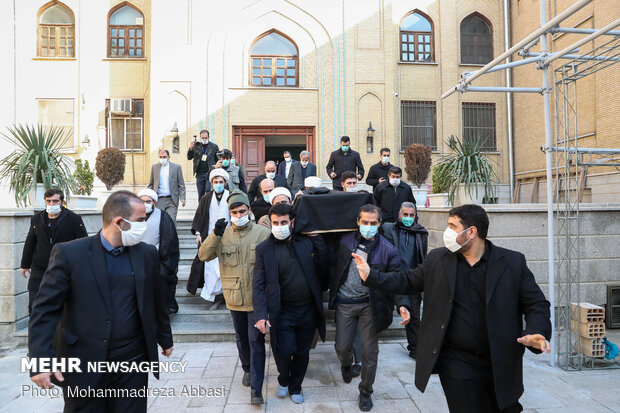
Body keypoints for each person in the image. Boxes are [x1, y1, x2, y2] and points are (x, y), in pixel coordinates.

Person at [353, 204, 552, 413]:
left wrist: (536, 331)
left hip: (500, 358)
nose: (447, 232)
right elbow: (407, 280)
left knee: (505, 407)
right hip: (456, 360)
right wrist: (372, 275)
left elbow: (536, 303)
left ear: (471, 232)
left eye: (452, 226)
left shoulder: (512, 262)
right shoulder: (438, 259)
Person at [28, 190, 174, 413]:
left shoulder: (146, 254)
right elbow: (45, 310)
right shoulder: (70, 254)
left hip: (132, 362)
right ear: (119, 222)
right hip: (84, 362)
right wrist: (40, 359)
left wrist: (164, 337)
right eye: (140, 220)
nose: (145, 225)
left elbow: (155, 298)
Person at [329, 204, 410, 412]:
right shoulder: (345, 242)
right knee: (342, 347)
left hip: (370, 306)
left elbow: (396, 280)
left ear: (379, 224)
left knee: (369, 352)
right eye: (364, 222)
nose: (368, 226)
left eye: (373, 223)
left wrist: (402, 305)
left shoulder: (388, 249)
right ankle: (346, 364)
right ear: (357, 222)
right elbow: (333, 267)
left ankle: (366, 391)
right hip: (345, 302)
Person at [198, 190, 271, 405]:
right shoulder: (222, 235)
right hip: (234, 298)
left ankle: (256, 389)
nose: (239, 214)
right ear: (229, 213)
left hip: (257, 299)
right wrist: (215, 234)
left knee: (256, 341)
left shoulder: (262, 233)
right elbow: (204, 255)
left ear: (249, 210)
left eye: (242, 210)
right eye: (234, 212)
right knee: (241, 338)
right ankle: (247, 369)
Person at [253, 204, 327, 404]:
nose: (279, 226)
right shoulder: (264, 249)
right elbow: (258, 284)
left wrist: (316, 238)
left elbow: (323, 266)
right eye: (275, 223)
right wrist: (261, 313)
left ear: (292, 223)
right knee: (284, 351)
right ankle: (283, 378)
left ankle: (296, 386)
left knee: (302, 352)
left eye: (283, 222)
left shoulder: (306, 243)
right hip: (282, 311)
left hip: (307, 309)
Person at [20, 189, 88, 315]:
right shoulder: (37, 219)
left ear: (62, 202)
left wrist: (83, 267)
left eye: (55, 201)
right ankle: (37, 334)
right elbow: (30, 241)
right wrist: (24, 264)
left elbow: (84, 243)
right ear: (45, 201)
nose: (52, 204)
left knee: (62, 310)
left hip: (64, 270)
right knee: (34, 308)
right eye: (49, 201)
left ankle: (59, 334)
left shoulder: (73, 219)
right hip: (39, 270)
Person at [380, 202, 427, 359]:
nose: (408, 218)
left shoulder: (420, 233)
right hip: (391, 275)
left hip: (410, 279)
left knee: (414, 315)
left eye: (411, 215)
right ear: (399, 215)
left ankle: (415, 347)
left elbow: (422, 258)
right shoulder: (388, 228)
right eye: (405, 214)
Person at [187, 169, 231, 308]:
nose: (218, 184)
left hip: (228, 238)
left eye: (220, 182)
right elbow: (199, 216)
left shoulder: (231, 196)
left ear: (225, 183)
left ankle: (226, 296)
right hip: (209, 238)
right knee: (211, 268)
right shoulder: (206, 198)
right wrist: (198, 233)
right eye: (215, 182)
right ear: (211, 183)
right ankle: (215, 296)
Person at [138, 188, 180, 314]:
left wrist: (156, 253)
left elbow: (169, 240)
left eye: (147, 201)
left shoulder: (163, 217)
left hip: (158, 259)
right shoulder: (131, 216)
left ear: (154, 203)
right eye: (141, 202)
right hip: (137, 260)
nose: (145, 204)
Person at [148, 149, 185, 224]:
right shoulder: (154, 167)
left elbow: (181, 184)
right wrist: (148, 197)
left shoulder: (176, 167)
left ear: (168, 157)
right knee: (159, 222)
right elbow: (151, 184)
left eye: (164, 157)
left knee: (171, 221)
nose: (162, 159)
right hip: (159, 200)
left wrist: (182, 198)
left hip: (172, 199)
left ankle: (172, 236)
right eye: (160, 157)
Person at [187, 129, 220, 199]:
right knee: (200, 193)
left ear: (209, 137)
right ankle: (201, 208)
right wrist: (190, 148)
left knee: (208, 190)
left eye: (206, 138)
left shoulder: (214, 146)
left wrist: (217, 168)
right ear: (200, 137)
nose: (204, 139)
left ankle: (208, 206)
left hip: (210, 172)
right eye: (202, 138)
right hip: (199, 173)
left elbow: (218, 159)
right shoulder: (196, 146)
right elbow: (189, 157)